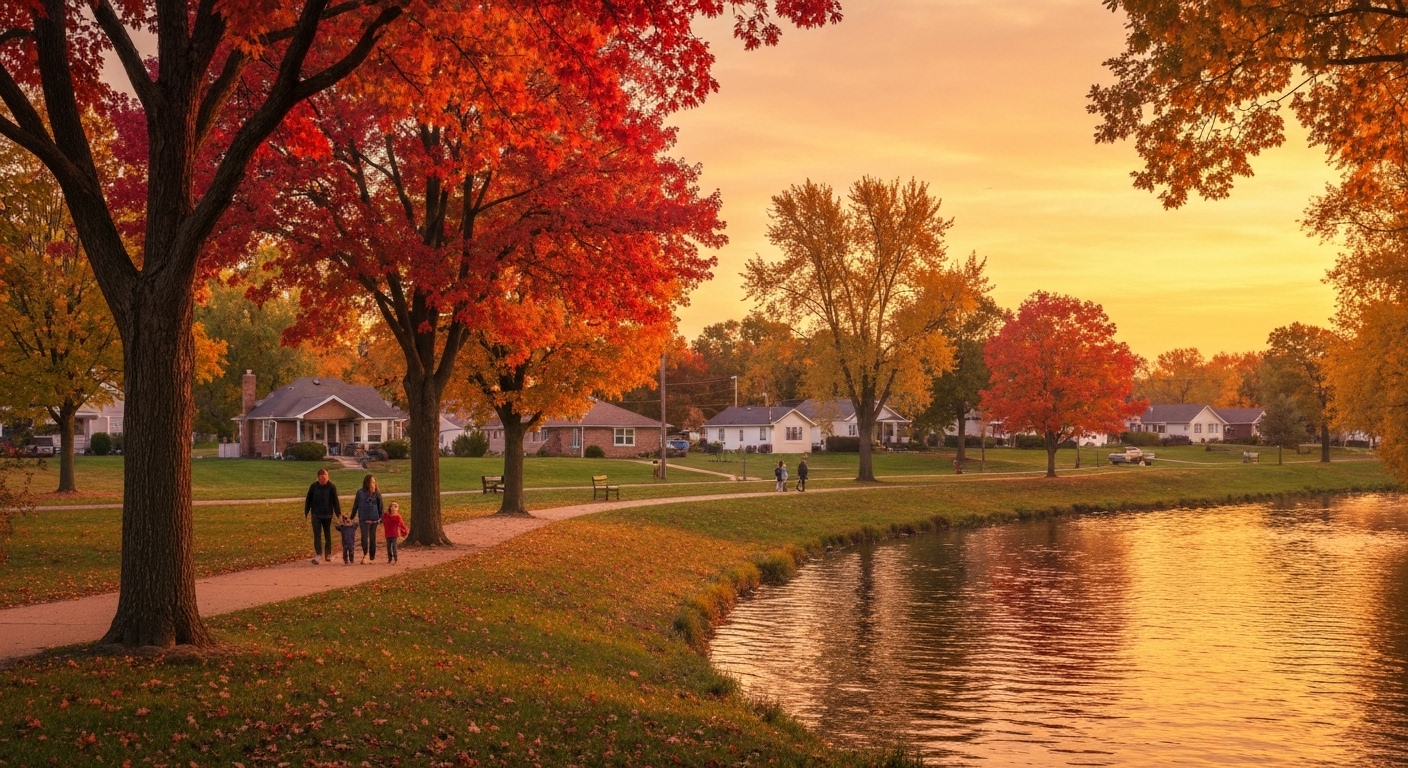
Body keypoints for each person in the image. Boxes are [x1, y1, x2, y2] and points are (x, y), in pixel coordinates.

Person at [304, 468, 341, 565]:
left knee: (327, 534)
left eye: (325, 476)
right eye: (321, 477)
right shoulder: (313, 487)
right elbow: (308, 499)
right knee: (317, 534)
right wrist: (306, 512)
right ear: (318, 478)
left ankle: (328, 553)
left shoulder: (331, 487)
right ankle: (318, 554)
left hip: (327, 515)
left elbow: (335, 501)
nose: (323, 478)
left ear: (327, 476)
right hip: (316, 514)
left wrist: (338, 514)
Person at [353, 474, 384, 563]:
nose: (373, 484)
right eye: (372, 482)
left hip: (374, 519)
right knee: (364, 537)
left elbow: (381, 506)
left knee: (372, 538)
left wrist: (381, 517)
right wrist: (351, 517)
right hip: (364, 518)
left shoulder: (377, 493)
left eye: (374, 482)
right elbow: (355, 506)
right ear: (367, 483)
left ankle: (372, 556)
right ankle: (365, 554)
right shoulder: (360, 493)